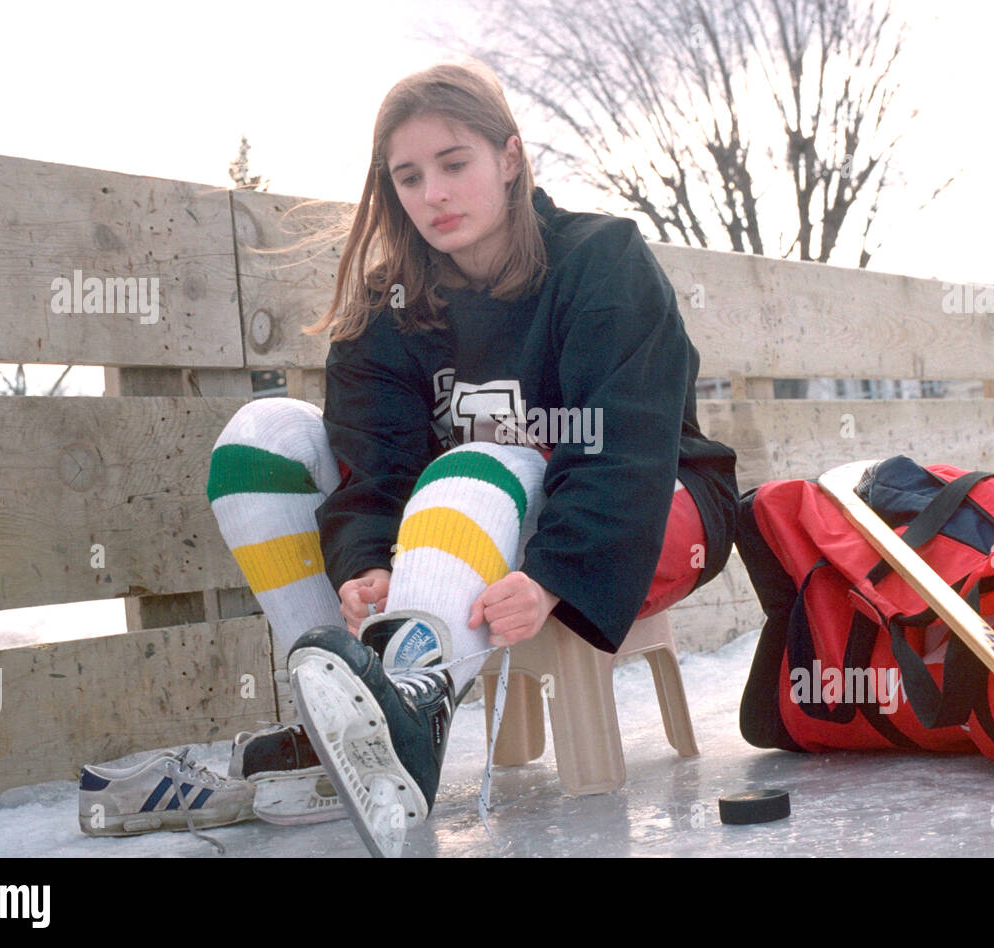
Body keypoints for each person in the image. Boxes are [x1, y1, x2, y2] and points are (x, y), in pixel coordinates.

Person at [207, 59, 738, 856]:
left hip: (640, 507)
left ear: (510, 159)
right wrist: (364, 564)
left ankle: (404, 712)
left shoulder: (601, 260)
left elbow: (623, 438)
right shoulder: (388, 309)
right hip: (463, 529)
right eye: (410, 178)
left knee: (486, 458)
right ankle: (346, 720)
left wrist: (557, 575)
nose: (434, 195)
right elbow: (372, 467)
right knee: (264, 436)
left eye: (455, 165)